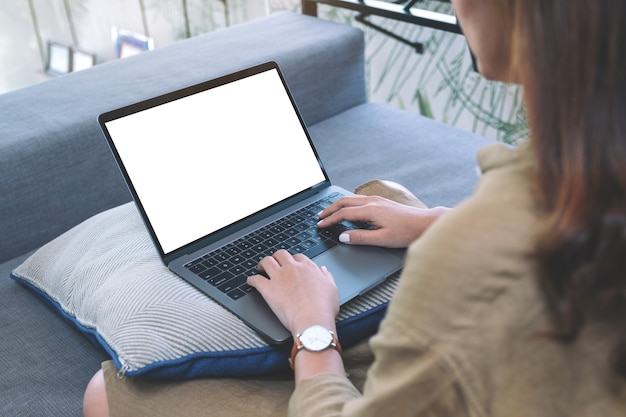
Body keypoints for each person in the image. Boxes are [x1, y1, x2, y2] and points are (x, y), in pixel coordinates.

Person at [84, 0, 626, 415]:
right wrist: (436, 222)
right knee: (377, 195)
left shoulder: (480, 256)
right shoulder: (588, 168)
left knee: (105, 393)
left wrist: (311, 330)